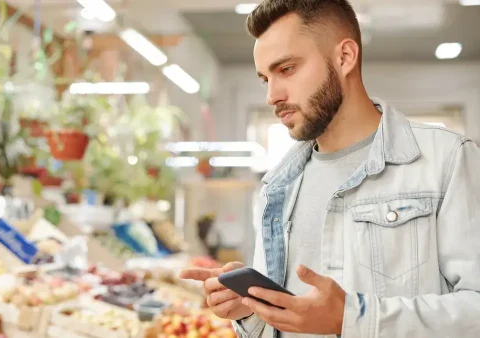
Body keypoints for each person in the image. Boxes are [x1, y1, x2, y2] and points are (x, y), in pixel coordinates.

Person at [179, 0, 480, 337]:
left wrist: (352, 319)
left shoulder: (447, 160)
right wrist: (253, 311)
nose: (271, 95)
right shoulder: (278, 185)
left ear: (345, 57)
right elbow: (293, 320)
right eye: (265, 78)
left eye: (287, 69)